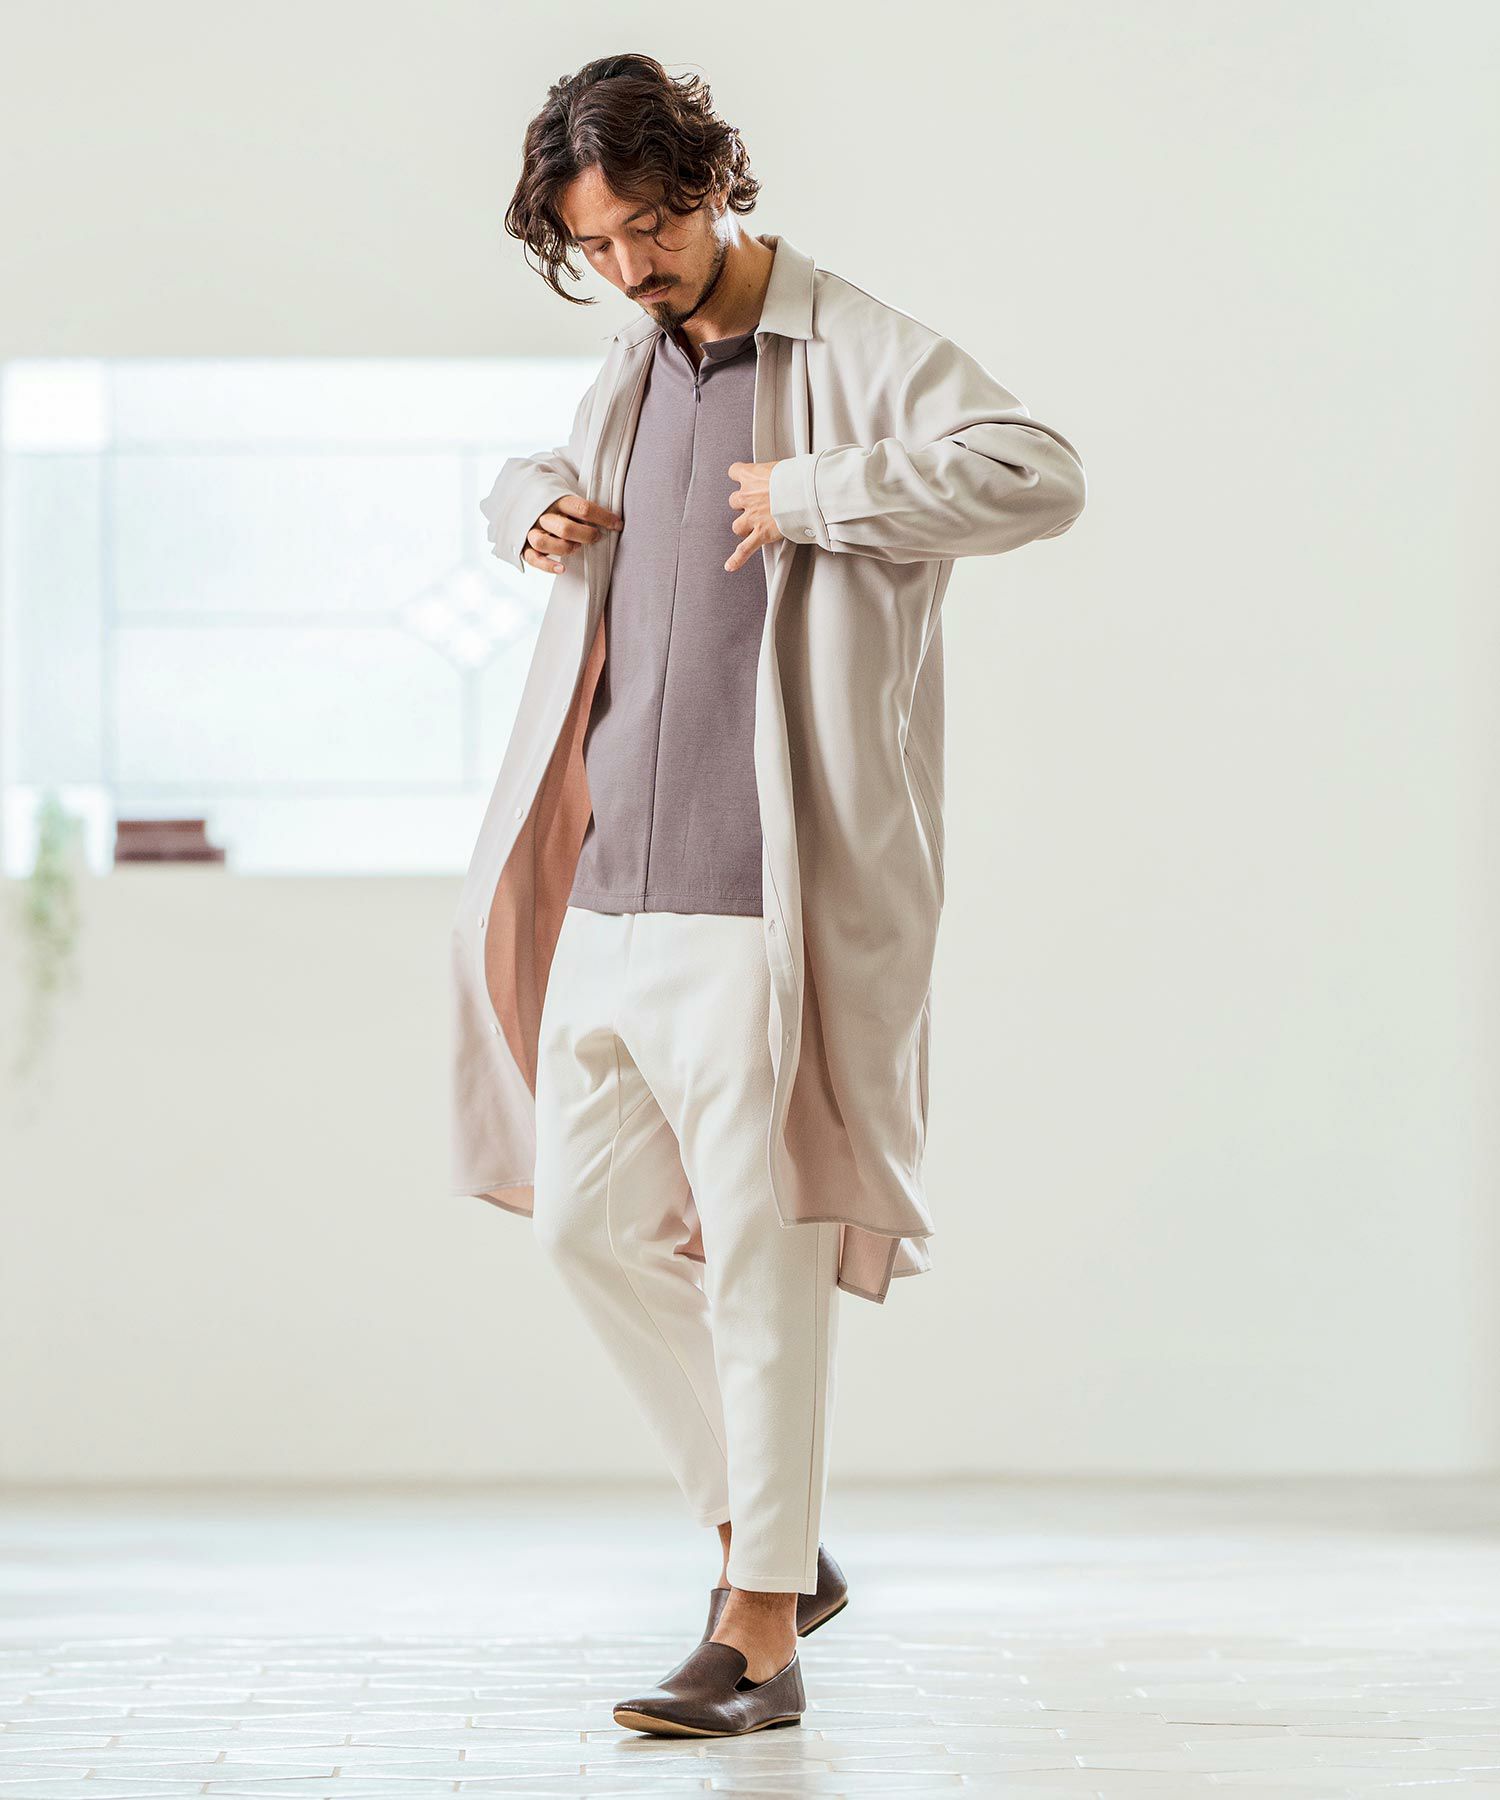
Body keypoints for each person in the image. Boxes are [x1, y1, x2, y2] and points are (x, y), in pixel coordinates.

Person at [458, 51, 1087, 1738]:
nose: (633, 266)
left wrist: (821, 493)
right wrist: (528, 504)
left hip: (760, 901)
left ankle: (757, 1634)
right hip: (612, 889)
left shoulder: (853, 344)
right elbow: (543, 480)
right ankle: (771, 1545)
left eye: (654, 228)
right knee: (590, 1231)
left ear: (714, 184)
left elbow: (1039, 470)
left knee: (762, 1253)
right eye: (598, 245)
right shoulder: (633, 364)